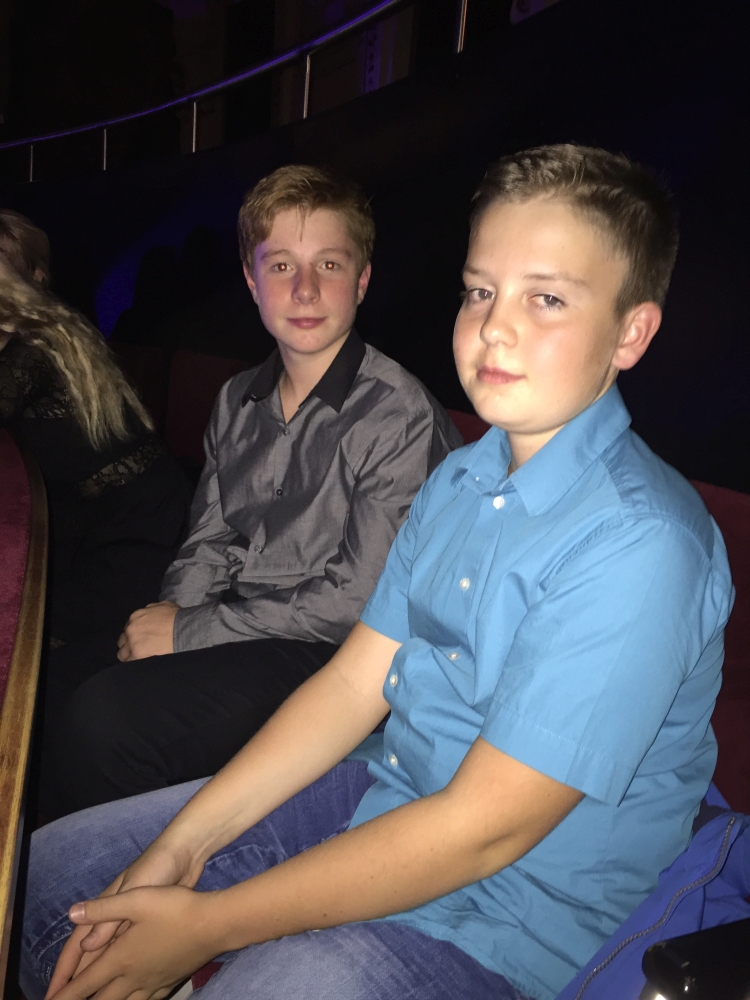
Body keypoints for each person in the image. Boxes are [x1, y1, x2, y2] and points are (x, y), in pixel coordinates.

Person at [20, 145, 733, 1000]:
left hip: (522, 917)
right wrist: (183, 845)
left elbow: (483, 832)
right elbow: (353, 683)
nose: (494, 327)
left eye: (545, 298)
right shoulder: (462, 478)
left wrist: (207, 926)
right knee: (51, 879)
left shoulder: (643, 542)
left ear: (631, 333)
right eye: (480, 291)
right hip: (389, 788)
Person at [41, 165, 462, 819]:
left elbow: (355, 604)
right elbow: (209, 539)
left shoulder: (397, 414)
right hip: (247, 624)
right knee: (53, 685)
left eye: (328, 264)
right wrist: (174, 617)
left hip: (344, 657)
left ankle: (120, 873)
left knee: (103, 722)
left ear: (362, 280)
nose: (304, 289)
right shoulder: (238, 399)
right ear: (250, 280)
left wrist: (190, 634)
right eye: (281, 265)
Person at [0, 211, 192, 650]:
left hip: (134, 528)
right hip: (99, 516)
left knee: (40, 640)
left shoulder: (35, 346)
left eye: (7, 260)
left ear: (33, 275)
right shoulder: (41, 333)